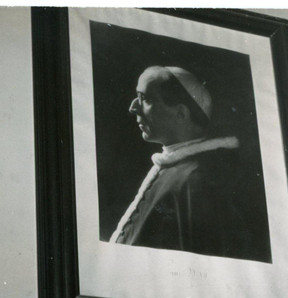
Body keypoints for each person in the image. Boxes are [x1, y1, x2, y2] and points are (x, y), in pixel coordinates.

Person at [110, 65, 263, 259]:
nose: (133, 107)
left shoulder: (197, 180)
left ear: (181, 114)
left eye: (145, 99)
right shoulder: (178, 168)